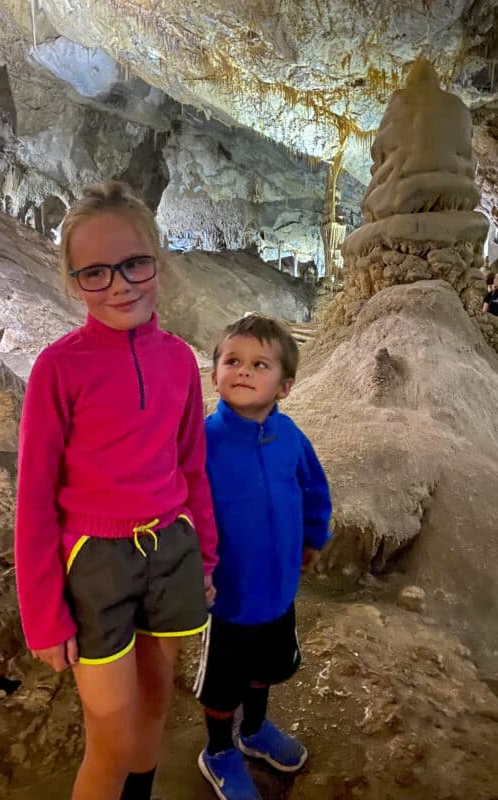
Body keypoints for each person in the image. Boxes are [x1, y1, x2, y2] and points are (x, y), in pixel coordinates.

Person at [15, 181, 218, 800]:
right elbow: (35, 499)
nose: (119, 285)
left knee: (155, 704)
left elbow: (191, 467)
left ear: (157, 260)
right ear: (73, 282)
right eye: (95, 274)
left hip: (170, 550)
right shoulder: (59, 367)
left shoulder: (180, 360)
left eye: (134, 264)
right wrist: (44, 616)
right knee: (109, 728)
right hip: (95, 563)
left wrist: (204, 556)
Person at [195, 314, 332, 800]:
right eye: (232, 361)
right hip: (227, 597)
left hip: (278, 591)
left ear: (285, 386)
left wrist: (315, 537)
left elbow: (314, 488)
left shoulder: (290, 438)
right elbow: (181, 508)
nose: (244, 371)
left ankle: (253, 731)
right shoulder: (200, 441)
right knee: (222, 683)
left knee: (264, 667)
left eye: (259, 364)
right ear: (214, 374)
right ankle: (217, 750)